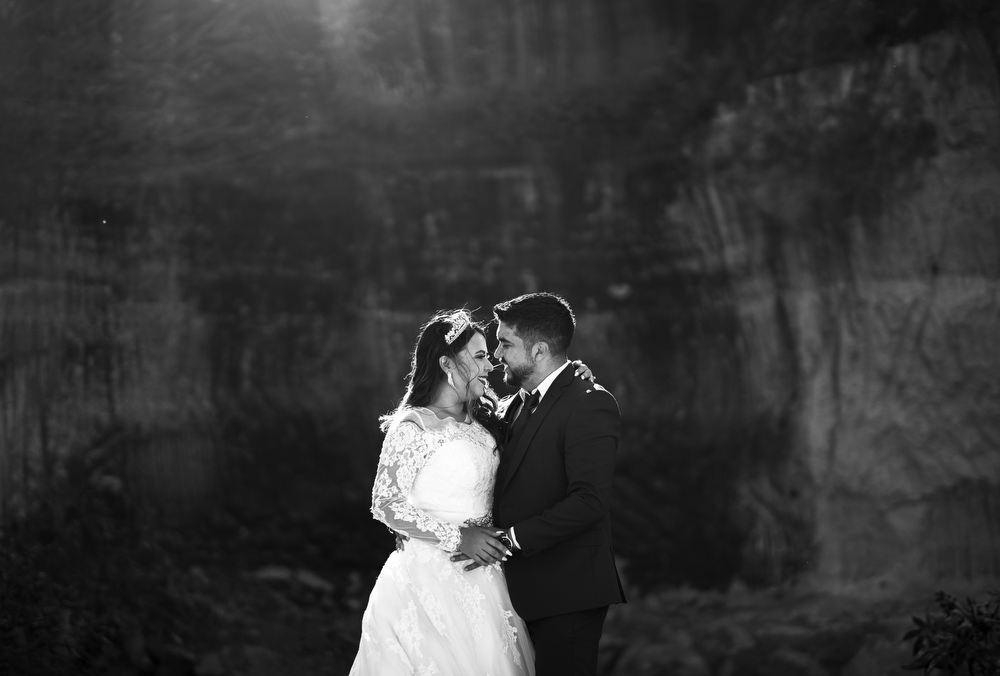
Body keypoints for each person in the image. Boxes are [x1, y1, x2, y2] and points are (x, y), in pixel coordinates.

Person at [348, 308, 595, 676]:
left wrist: (571, 377)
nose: (490, 364)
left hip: (490, 576)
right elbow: (385, 503)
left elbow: (541, 408)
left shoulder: (489, 418)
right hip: (430, 579)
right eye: (479, 356)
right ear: (447, 363)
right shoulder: (414, 426)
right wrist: (459, 537)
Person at [455, 292, 626, 676]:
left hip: (567, 592)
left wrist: (510, 540)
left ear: (539, 350)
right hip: (511, 592)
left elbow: (589, 501)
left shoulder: (589, 402)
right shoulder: (512, 405)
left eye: (505, 343)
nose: (496, 354)